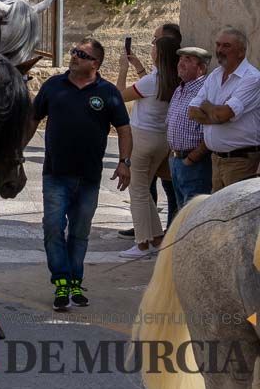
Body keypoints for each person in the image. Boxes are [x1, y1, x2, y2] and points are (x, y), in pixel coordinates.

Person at [34, 38, 131, 311]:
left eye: (81, 54)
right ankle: (61, 281)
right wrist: (16, 152)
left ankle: (75, 280)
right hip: (55, 174)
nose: (73, 56)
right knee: (53, 227)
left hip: (89, 177)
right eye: (73, 52)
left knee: (79, 232)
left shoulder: (108, 92)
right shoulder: (53, 86)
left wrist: (124, 162)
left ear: (95, 63)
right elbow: (32, 118)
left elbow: (124, 128)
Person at [116, 34, 181, 258]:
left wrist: (123, 69)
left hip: (142, 138)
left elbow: (118, 97)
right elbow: (150, 86)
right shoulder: (172, 78)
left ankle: (142, 243)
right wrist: (139, 67)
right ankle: (155, 237)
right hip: (161, 138)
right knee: (144, 189)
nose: (151, 47)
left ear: (160, 53)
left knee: (138, 191)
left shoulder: (152, 81)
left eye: (154, 45)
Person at [189, 27, 260, 192]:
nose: (220, 50)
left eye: (226, 46)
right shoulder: (215, 75)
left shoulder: (252, 79)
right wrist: (217, 115)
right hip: (216, 160)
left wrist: (207, 106)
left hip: (240, 162)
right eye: (218, 44)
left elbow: (224, 114)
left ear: (241, 52)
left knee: (237, 213)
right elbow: (192, 111)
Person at [166, 46, 212, 210]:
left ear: (201, 68)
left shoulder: (205, 91)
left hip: (195, 164)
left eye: (188, 60)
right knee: (181, 212)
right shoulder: (180, 89)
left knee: (193, 214)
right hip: (177, 161)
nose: (181, 63)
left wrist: (191, 158)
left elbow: (211, 132)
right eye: (181, 59)